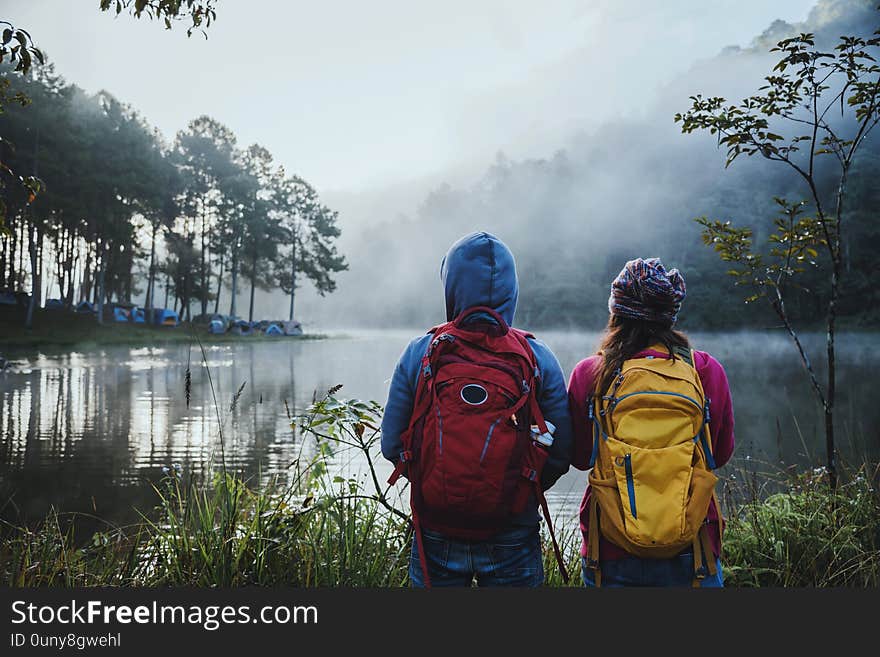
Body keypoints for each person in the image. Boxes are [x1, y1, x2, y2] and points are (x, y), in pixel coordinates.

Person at [381, 231, 573, 588]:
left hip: (435, 527)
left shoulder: (420, 352)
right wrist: (515, 491)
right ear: (511, 290)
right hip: (512, 530)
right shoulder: (538, 358)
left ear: (451, 285)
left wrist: (440, 487)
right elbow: (561, 453)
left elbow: (392, 444)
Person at [568, 257, 734, 587]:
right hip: (692, 548)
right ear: (669, 316)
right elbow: (720, 454)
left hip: (611, 547)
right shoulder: (704, 371)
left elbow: (579, 456)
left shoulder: (590, 374)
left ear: (617, 312)